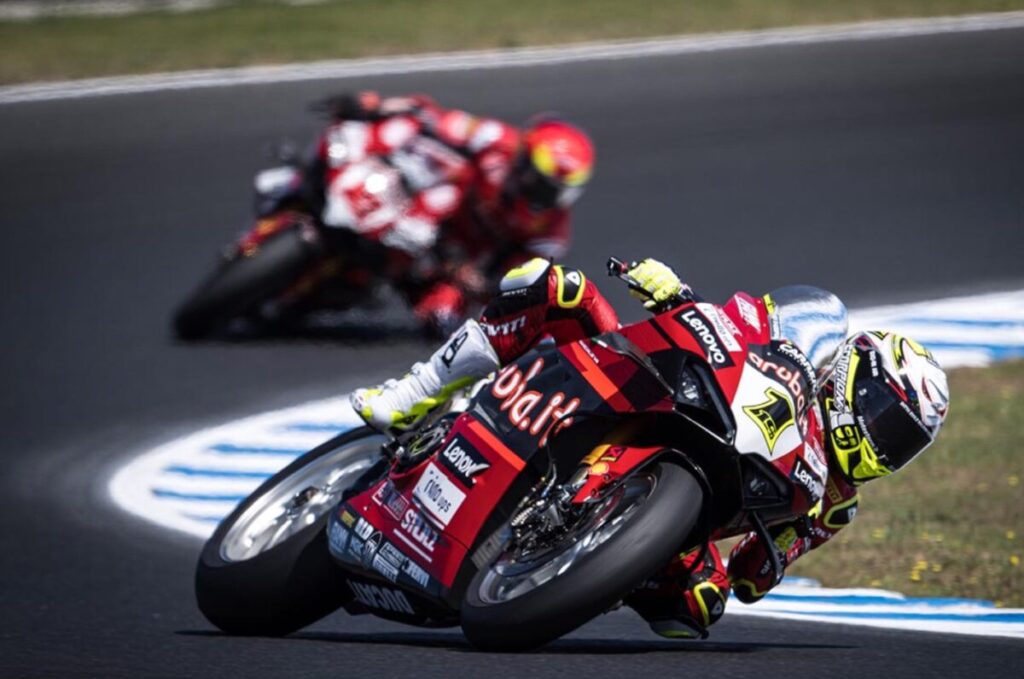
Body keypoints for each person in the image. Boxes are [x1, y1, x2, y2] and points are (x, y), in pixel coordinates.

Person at [350, 257, 950, 638]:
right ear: (857, 377)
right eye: (886, 421)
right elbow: (739, 322)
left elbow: (750, 577)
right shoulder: (809, 334)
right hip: (654, 389)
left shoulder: (834, 505)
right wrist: (677, 296)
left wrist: (740, 573)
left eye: (900, 445)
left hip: (698, 502)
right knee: (554, 287)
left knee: (694, 614)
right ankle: (416, 393)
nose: (881, 444)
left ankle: (580, 561)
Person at [300, 91, 595, 335]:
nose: (548, 196)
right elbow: (431, 116)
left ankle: (362, 284)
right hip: (427, 204)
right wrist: (375, 107)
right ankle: (321, 171)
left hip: (453, 260)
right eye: (542, 183)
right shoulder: (494, 138)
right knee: (398, 128)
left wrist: (478, 281)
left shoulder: (549, 233)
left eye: (559, 190)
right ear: (524, 161)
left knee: (445, 321)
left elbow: (520, 283)